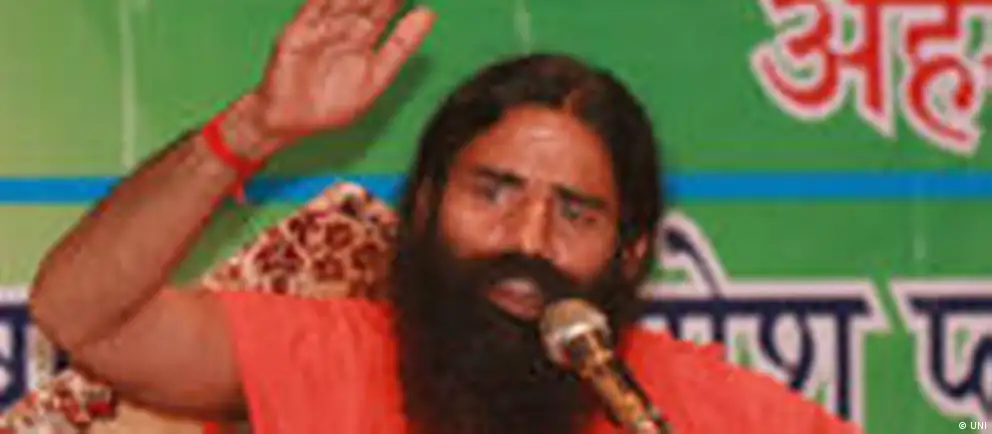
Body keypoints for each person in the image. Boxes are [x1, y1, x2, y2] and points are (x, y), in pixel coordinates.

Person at [28, 0, 859, 433]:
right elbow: (82, 314)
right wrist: (253, 130)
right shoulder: (332, 357)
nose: (527, 240)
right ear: (425, 206)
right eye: (492, 192)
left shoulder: (684, 404)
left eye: (575, 214)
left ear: (631, 253)